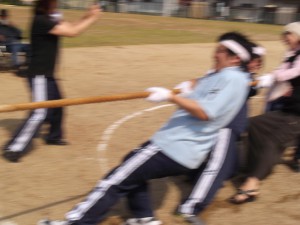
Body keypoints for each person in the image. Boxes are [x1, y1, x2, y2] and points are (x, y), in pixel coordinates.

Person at [37, 33, 252, 225]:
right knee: (131, 171)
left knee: (115, 179)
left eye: (221, 51)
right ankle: (144, 217)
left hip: (175, 145)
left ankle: (75, 222)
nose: (215, 54)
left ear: (235, 58)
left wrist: (171, 97)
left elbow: (206, 112)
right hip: (179, 147)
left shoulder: (231, 78)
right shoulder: (226, 76)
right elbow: (206, 82)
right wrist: (189, 86)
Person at [173, 34, 265, 225]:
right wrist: (189, 85)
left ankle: (192, 175)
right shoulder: (235, 76)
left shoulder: (237, 76)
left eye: (260, 61)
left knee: (229, 165)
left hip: (228, 126)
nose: (257, 64)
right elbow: (242, 86)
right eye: (255, 60)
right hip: (226, 127)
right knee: (218, 167)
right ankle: (190, 207)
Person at [2, 0, 101, 162]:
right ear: (46, 4)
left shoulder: (49, 18)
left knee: (58, 106)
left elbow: (69, 26)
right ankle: (13, 147)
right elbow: (73, 32)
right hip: (39, 74)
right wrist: (93, 18)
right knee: (39, 112)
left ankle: (53, 136)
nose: (58, 4)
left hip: (47, 74)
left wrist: (87, 16)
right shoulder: (41, 20)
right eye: (55, 2)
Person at [229, 22, 300, 204]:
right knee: (252, 125)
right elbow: (282, 73)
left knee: (272, 141)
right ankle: (250, 167)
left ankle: (252, 184)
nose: (285, 37)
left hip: (297, 115)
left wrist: (276, 77)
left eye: (288, 34)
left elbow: (291, 73)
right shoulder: (292, 55)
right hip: (287, 109)